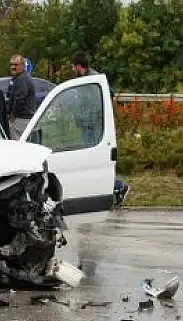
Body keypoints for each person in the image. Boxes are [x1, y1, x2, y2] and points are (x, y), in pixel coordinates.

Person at [71, 51, 130, 206]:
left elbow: (107, 95)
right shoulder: (85, 79)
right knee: (90, 162)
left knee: (96, 162)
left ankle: (118, 186)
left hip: (94, 127)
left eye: (73, 67)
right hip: (87, 125)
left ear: (78, 66)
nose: (72, 70)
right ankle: (102, 190)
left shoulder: (94, 79)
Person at [6, 54, 37, 140]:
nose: (13, 67)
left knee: (18, 145)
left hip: (21, 119)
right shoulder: (17, 78)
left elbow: (20, 99)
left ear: (23, 65)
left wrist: (12, 116)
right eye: (11, 64)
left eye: (16, 65)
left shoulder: (22, 79)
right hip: (22, 119)